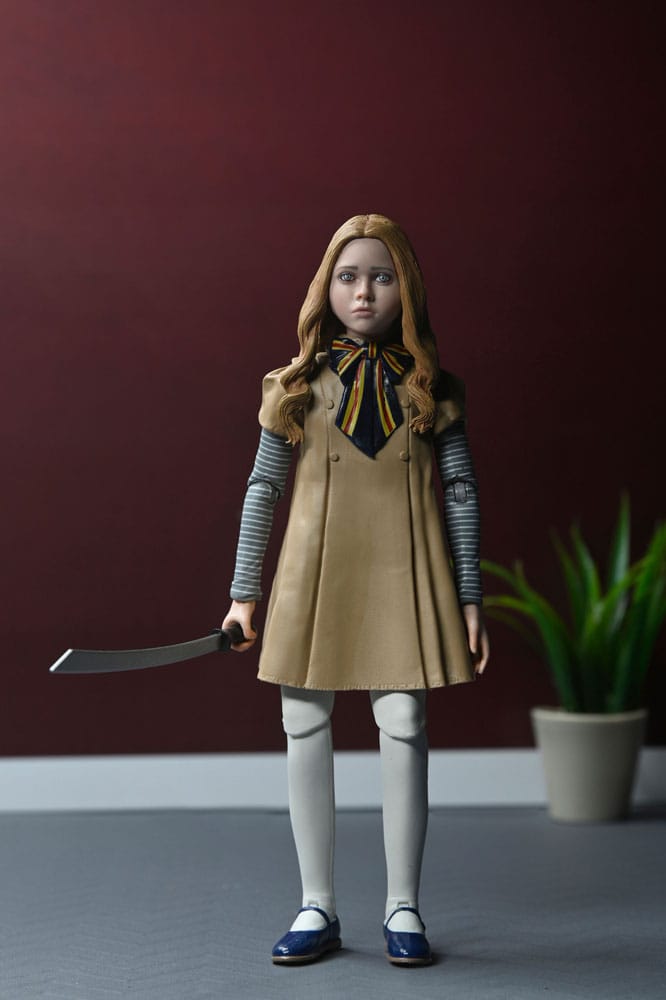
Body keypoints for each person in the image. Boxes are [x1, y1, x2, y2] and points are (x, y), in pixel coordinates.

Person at [222, 213, 489, 967]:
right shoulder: (294, 387)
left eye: (381, 276)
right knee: (304, 718)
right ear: (325, 288)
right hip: (313, 570)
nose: (364, 292)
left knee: (404, 720)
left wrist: (470, 596)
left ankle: (404, 904)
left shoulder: (433, 389)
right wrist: (244, 591)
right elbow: (263, 488)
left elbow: (461, 491)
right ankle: (317, 903)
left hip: (407, 568)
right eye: (348, 276)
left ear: (407, 288)